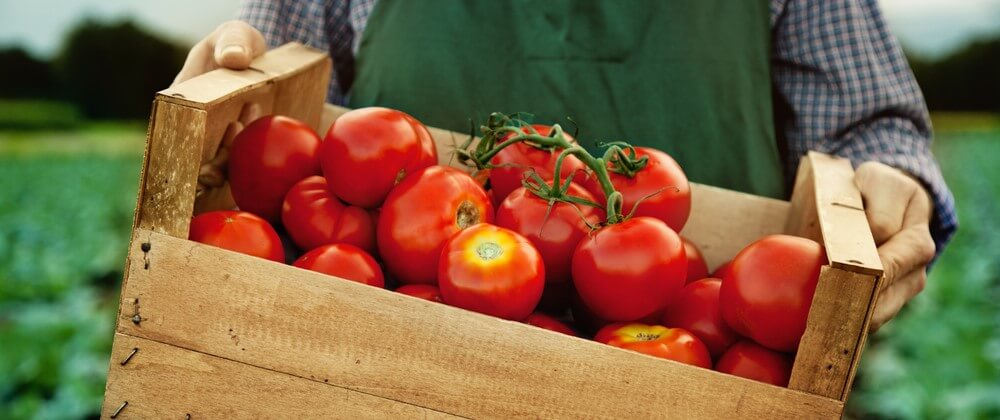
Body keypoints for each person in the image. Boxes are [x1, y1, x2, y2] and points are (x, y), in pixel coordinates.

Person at [175, 0, 956, 331]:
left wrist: (890, 181)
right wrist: (236, 74)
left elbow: (869, 125)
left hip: (703, 374)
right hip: (357, 359)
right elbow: (274, 66)